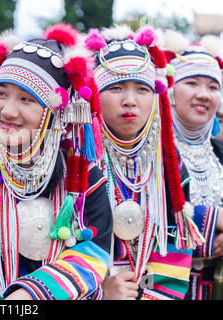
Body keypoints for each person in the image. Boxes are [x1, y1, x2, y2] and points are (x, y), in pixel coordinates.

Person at [0, 24, 113, 300]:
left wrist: (29, 297)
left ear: (55, 111)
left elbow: (93, 253)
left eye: (26, 99)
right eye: (1, 93)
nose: (7, 110)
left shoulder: (82, 176)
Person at [85, 25, 201, 300]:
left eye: (141, 89)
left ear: (156, 96)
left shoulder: (168, 168)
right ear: (95, 94)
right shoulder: (78, 162)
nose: (130, 101)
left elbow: (174, 246)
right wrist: (100, 293)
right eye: (115, 88)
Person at [162, 30, 223, 300]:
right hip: (165, 287)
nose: (204, 95)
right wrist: (214, 221)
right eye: (192, 83)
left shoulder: (220, 152)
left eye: (213, 86)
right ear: (171, 90)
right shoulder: (152, 152)